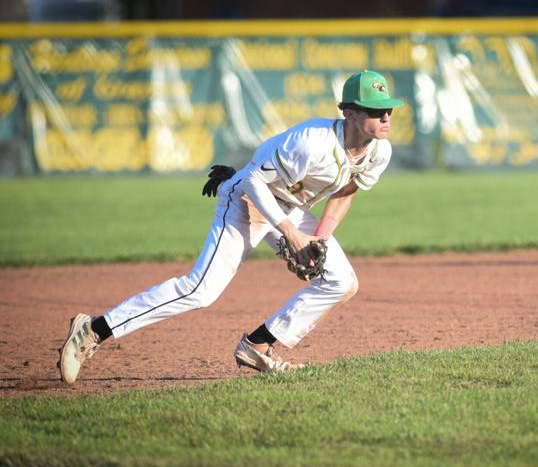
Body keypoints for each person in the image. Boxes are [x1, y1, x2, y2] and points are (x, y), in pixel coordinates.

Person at [58, 70, 404, 384]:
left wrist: (319, 239)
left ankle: (258, 345)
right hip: (247, 198)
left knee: (342, 281)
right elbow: (254, 180)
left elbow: (345, 193)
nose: (385, 116)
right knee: (201, 290)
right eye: (375, 110)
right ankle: (93, 330)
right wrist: (291, 233)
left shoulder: (379, 152)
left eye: (388, 109)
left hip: (289, 206)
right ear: (350, 113)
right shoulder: (312, 141)